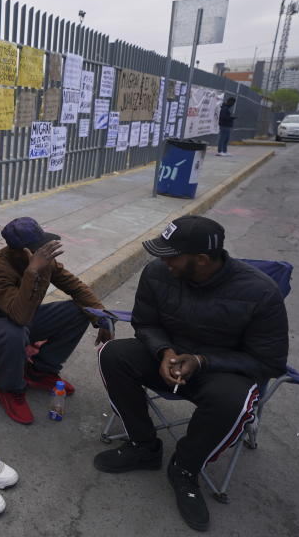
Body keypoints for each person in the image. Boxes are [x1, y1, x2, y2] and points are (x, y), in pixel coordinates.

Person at [93, 215, 288, 532]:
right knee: (112, 354)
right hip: (167, 357)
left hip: (219, 370)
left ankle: (185, 468)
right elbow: (145, 322)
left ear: (201, 259)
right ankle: (144, 446)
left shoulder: (261, 293)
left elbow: (269, 361)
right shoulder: (158, 273)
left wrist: (201, 360)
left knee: (235, 402)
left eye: (171, 256)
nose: (162, 261)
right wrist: (164, 351)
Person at [0, 217, 113, 424]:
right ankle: (10, 387)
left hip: (22, 319)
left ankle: (41, 371)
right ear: (20, 252)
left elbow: (76, 288)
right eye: (38, 251)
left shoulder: (46, 262)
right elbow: (19, 316)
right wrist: (32, 271)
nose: (45, 254)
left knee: (80, 310)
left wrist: (103, 319)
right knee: (14, 332)